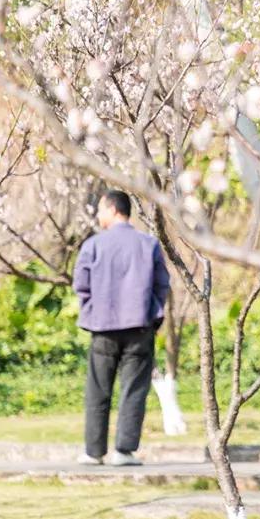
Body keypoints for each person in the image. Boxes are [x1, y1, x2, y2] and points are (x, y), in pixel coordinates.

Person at [74, 190, 171, 466]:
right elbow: (162, 285)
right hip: (139, 326)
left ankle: (94, 452)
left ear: (113, 209)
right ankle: (124, 451)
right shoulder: (148, 244)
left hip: (103, 328)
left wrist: (92, 311)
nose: (99, 215)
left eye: (102, 209)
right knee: (134, 390)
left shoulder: (93, 245)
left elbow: (81, 284)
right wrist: (153, 316)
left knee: (98, 389)